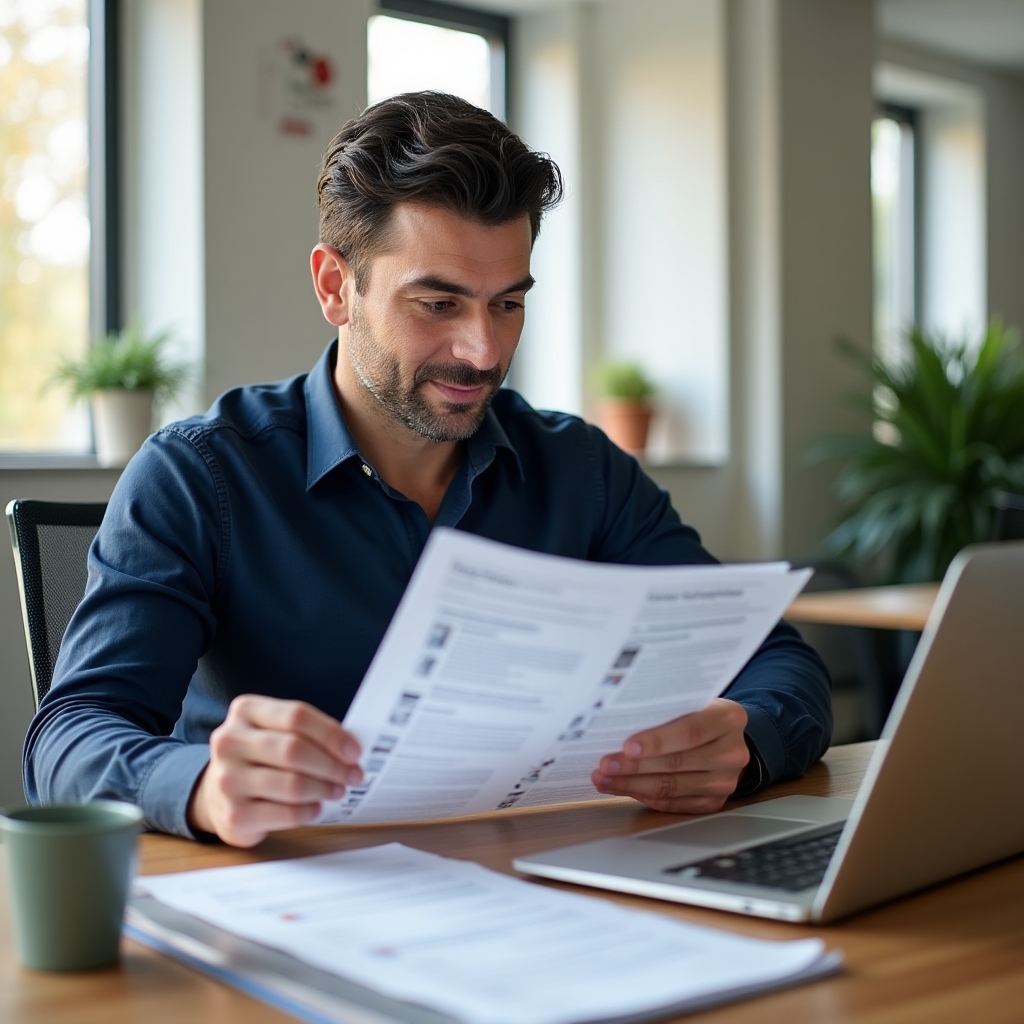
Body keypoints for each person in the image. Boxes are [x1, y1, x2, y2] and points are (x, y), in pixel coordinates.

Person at [24, 93, 831, 848]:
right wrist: (201, 784)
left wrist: (743, 740)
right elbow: (68, 742)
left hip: (540, 888)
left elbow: (782, 662)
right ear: (336, 287)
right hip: (288, 900)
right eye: (437, 304)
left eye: (508, 303)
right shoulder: (200, 476)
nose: (483, 351)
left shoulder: (580, 470)